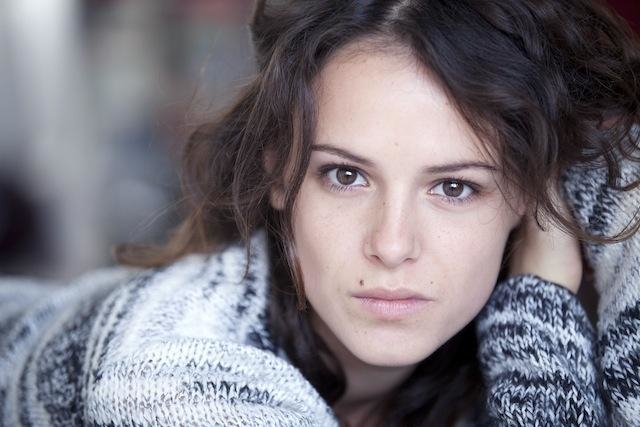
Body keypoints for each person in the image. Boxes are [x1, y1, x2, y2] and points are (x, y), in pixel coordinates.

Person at [1, 0, 639, 425]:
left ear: (531, 199)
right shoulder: (171, 373)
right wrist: (538, 331)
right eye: (346, 175)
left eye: (453, 187)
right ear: (281, 174)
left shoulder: (467, 364)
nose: (392, 244)